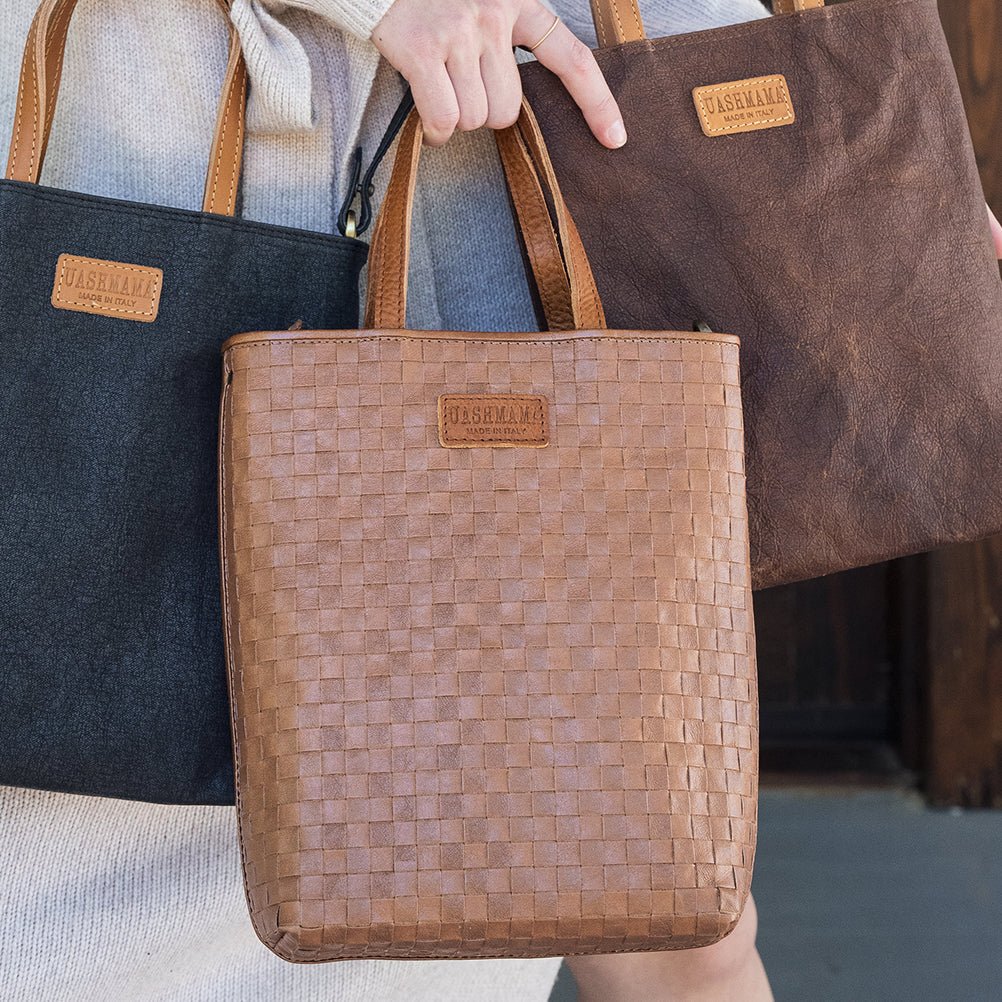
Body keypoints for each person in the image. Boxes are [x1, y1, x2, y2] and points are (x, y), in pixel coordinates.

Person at [1, 2, 1000, 1001]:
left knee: (630, 848)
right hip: (163, 146)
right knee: (118, 832)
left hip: (493, 158)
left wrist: (866, 148)